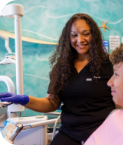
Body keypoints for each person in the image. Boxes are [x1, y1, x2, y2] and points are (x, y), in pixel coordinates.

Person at [0, 13, 115, 144]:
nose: (80, 39)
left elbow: (121, 102)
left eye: (86, 33)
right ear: (68, 37)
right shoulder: (62, 67)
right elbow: (52, 103)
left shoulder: (109, 65)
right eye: (74, 35)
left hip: (103, 133)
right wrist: (24, 100)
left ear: (94, 35)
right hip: (69, 133)